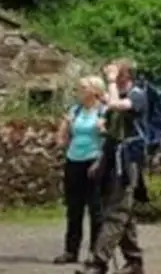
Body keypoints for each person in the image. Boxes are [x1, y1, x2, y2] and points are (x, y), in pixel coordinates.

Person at [85, 61, 148, 274]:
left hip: (129, 161)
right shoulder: (117, 96)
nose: (109, 74)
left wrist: (110, 82)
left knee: (117, 211)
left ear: (125, 75)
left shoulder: (138, 94)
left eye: (115, 72)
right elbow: (113, 132)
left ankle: (98, 263)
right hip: (113, 159)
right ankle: (134, 262)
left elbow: (115, 105)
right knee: (124, 213)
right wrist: (101, 159)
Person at [56, 76, 108, 265]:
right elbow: (61, 140)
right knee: (73, 208)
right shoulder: (75, 110)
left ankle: (95, 252)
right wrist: (65, 126)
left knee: (96, 209)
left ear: (95, 90)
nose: (79, 91)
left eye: (83, 88)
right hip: (73, 160)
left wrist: (102, 130)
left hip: (94, 160)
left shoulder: (104, 111)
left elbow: (108, 139)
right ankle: (71, 250)